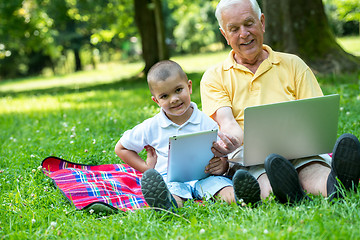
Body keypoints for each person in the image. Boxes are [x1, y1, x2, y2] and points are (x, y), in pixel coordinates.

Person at [200, 0, 360, 204]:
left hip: (299, 146)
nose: (244, 34)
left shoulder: (293, 64)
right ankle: (287, 192)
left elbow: (316, 116)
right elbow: (228, 123)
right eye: (234, 29)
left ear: (262, 22)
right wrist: (233, 141)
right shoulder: (214, 76)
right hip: (248, 154)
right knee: (262, 176)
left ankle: (335, 185)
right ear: (225, 35)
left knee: (312, 166)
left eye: (249, 23)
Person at [114, 60, 254, 210]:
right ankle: (166, 205)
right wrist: (147, 169)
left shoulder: (207, 123)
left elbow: (221, 155)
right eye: (164, 96)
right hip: (170, 179)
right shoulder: (152, 126)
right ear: (156, 101)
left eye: (178, 90)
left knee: (223, 189)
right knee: (172, 196)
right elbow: (121, 148)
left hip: (205, 176)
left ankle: (242, 197)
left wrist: (222, 165)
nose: (174, 99)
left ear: (189, 87)